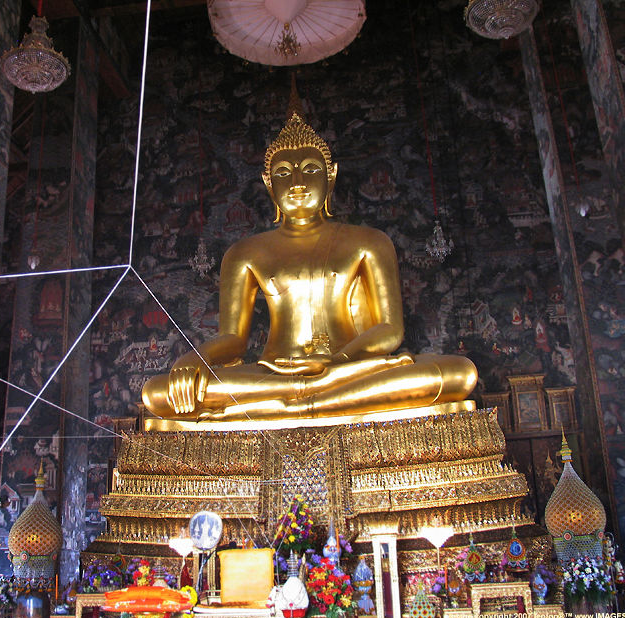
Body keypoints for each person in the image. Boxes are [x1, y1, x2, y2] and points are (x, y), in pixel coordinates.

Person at [142, 106, 477, 422]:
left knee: (458, 373)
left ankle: (289, 403)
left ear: (331, 176)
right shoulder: (244, 252)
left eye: (311, 169)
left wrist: (336, 362)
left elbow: (390, 330)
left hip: (348, 369)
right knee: (157, 393)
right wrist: (195, 359)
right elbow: (233, 339)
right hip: (273, 372)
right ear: (268, 184)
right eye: (284, 173)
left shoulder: (369, 241)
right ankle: (306, 398)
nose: (298, 182)